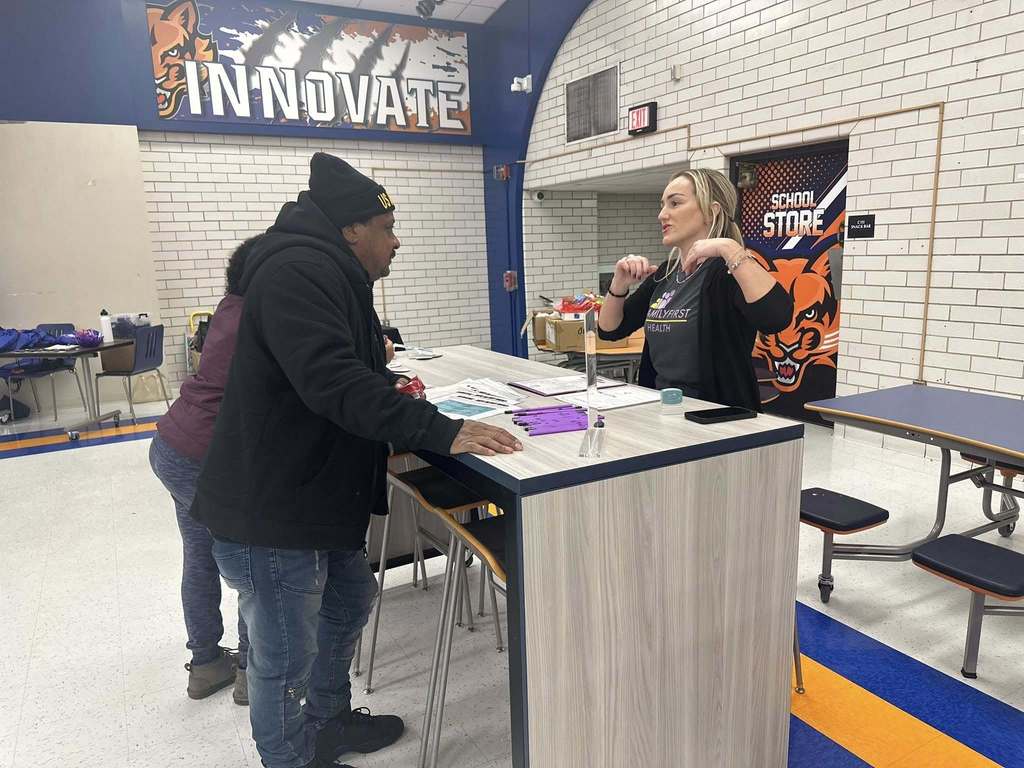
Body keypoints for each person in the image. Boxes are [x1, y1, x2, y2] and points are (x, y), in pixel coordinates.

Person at [190, 153, 522, 768]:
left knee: (348, 597)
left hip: (313, 493)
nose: (395, 244)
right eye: (387, 230)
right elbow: (331, 380)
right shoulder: (297, 270)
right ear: (350, 229)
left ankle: (328, 723)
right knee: (284, 653)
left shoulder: (332, 273)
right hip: (274, 502)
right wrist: (439, 430)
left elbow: (350, 371)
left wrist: (391, 395)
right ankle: (289, 757)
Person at [149, 236, 260, 704]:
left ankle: (206, 662)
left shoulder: (228, 307)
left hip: (171, 444)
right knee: (249, 560)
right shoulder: (261, 317)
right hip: (206, 454)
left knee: (200, 553)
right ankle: (251, 672)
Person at [598, 168, 793, 410]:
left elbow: (776, 318)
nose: (661, 215)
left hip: (715, 418)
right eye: (662, 205)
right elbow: (610, 330)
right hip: (664, 412)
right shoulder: (664, 275)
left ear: (711, 212)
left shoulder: (728, 272)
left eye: (675, 203)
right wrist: (618, 285)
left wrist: (730, 249)